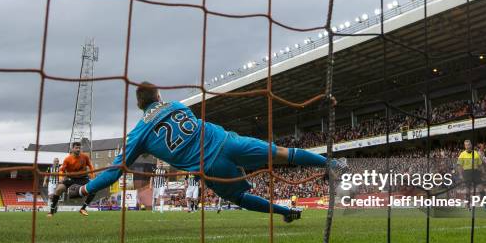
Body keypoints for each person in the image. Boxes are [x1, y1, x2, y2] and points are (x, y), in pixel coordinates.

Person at [68, 82, 346, 223]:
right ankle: (331, 163)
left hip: (211, 166)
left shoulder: (138, 133)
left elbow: (115, 172)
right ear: (159, 97)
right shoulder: (176, 105)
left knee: (238, 196)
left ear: (140, 106)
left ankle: (285, 212)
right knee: (283, 153)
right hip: (229, 142)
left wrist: (83, 191)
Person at [48, 142, 96, 217]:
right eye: (76, 148)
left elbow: (90, 165)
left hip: (83, 178)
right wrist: (61, 178)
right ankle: (51, 211)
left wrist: (93, 175)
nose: (78, 149)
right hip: (71, 178)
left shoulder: (85, 157)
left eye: (79, 148)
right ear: (72, 149)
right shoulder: (67, 159)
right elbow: (61, 170)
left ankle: (83, 208)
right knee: (58, 189)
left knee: (94, 189)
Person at [457, 139, 483, 209]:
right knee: (468, 189)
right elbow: (459, 165)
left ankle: (485, 205)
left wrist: (482, 172)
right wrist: (460, 175)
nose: (468, 146)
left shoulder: (476, 153)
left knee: (481, 188)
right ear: (465, 146)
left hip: (476, 172)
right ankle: (467, 204)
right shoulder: (462, 154)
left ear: (471, 145)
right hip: (467, 173)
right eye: (466, 145)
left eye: (469, 145)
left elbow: (480, 165)